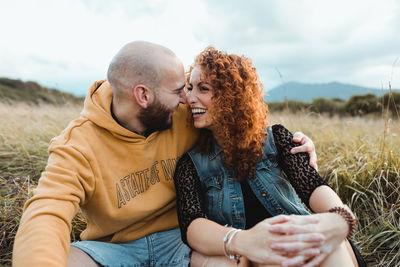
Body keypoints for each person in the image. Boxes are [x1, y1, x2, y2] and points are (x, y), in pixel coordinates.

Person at [12, 41, 317, 267]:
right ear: (143, 95)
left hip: (182, 241)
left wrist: (294, 147)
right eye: (178, 90)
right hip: (116, 249)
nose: (188, 98)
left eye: (188, 87)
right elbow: (46, 213)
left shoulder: (185, 113)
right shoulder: (76, 144)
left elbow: (238, 121)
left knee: (231, 263)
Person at [173, 47, 366, 267]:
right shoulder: (191, 164)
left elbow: (312, 186)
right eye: (190, 88)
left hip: (296, 238)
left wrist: (339, 218)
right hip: (248, 254)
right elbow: (192, 224)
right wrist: (245, 241)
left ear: (231, 95)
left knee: (326, 247)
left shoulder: (276, 139)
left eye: (203, 89)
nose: (190, 98)